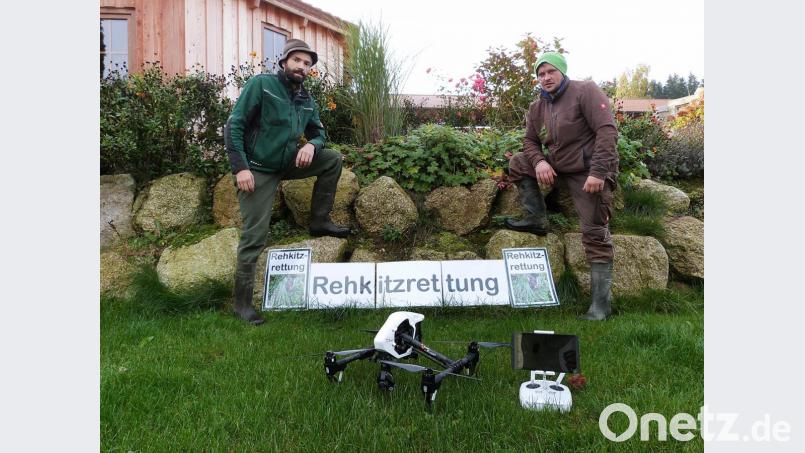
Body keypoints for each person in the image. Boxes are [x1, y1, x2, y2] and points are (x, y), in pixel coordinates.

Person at [224, 39, 350, 325]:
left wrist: (311, 146)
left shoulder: (306, 99)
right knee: (255, 235)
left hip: (288, 163)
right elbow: (235, 124)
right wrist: (240, 168)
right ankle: (242, 304)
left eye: (307, 64)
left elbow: (319, 132)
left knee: (332, 158)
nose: (302, 67)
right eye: (297, 61)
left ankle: (319, 221)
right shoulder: (262, 85)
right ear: (284, 62)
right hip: (258, 169)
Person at [505, 52, 619, 320]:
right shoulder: (537, 108)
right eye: (540, 74)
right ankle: (536, 218)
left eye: (550, 72)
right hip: (558, 166)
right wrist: (539, 162)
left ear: (562, 71)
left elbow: (607, 130)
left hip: (588, 172)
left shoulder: (585, 91)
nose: (545, 78)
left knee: (594, 231)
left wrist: (599, 172)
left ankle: (600, 308)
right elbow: (530, 142)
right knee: (519, 163)